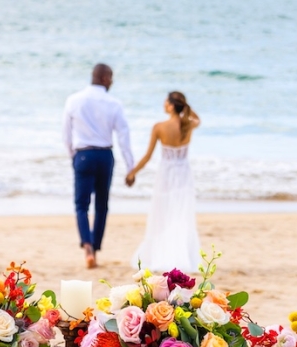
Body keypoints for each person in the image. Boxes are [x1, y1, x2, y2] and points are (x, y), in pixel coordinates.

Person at [63, 63, 134, 269]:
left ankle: (87, 246)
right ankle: (95, 247)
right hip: (104, 155)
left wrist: (73, 157)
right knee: (101, 205)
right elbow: (124, 136)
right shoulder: (114, 103)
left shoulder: (74, 100)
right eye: (111, 77)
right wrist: (131, 167)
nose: (111, 81)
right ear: (104, 78)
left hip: (83, 154)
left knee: (81, 205)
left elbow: (65, 134)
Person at [125, 91, 201, 273]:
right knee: (181, 213)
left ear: (172, 105)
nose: (164, 104)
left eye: (166, 102)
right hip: (183, 173)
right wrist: (186, 108)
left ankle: (163, 254)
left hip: (166, 174)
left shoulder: (159, 127)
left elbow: (148, 156)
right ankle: (181, 254)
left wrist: (132, 173)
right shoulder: (188, 125)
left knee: (163, 213)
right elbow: (197, 118)